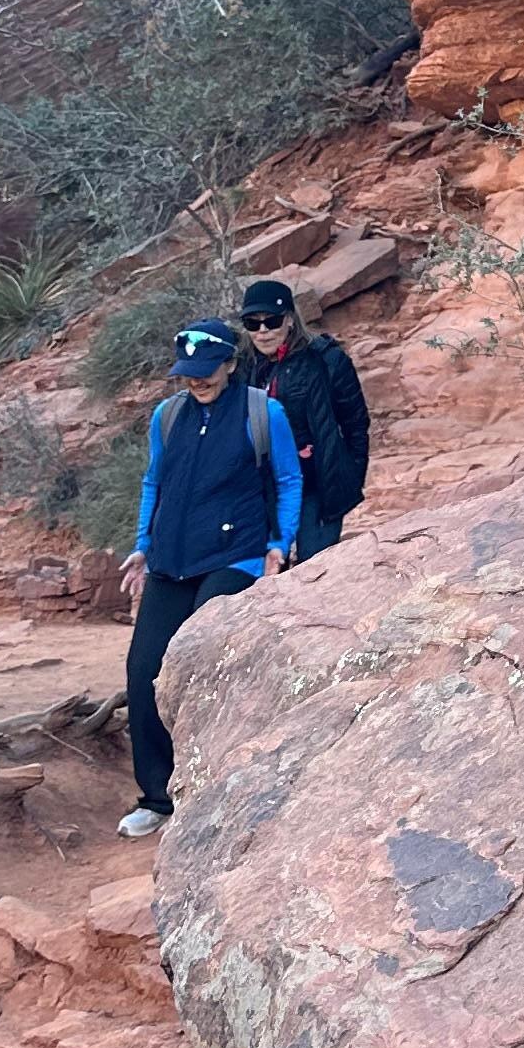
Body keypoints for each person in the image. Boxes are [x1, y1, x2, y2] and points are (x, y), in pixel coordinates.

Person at [114, 322, 300, 840]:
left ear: (230, 365)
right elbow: (155, 481)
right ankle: (157, 797)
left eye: (206, 373)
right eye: (188, 375)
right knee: (143, 669)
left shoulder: (264, 413)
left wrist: (278, 545)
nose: (196, 383)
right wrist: (142, 545)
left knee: (198, 662)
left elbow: (288, 479)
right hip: (170, 558)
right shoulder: (167, 417)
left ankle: (212, 785)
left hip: (234, 557)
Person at [236, 278, 370, 563]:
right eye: (252, 323)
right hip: (266, 488)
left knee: (314, 566)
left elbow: (355, 424)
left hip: (317, 485)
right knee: (266, 573)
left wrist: (349, 477)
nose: (262, 332)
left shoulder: (326, 361)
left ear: (290, 321)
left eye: (271, 321)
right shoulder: (244, 366)